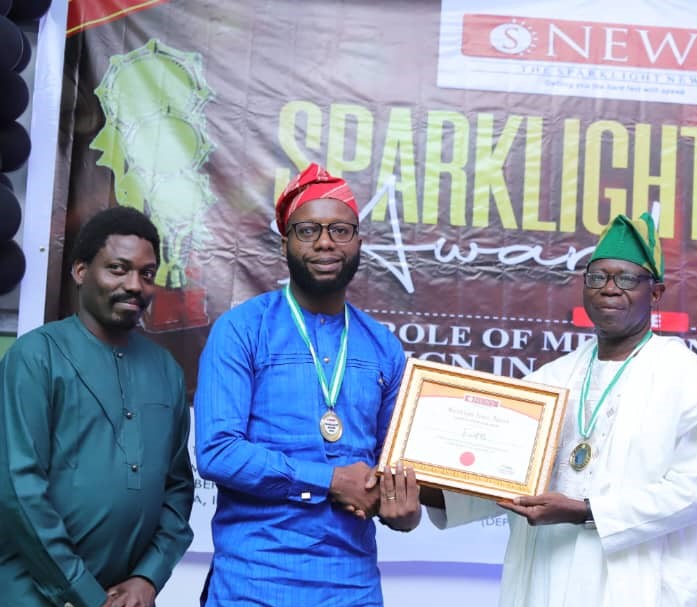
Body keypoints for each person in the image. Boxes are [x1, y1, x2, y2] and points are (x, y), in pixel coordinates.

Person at [426, 212, 697, 607]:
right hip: (549, 572)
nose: (610, 289)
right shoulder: (550, 379)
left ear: (656, 293)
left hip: (635, 582)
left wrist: (585, 512)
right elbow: (501, 474)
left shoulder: (683, 377)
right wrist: (423, 486)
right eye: (598, 277)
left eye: (626, 279)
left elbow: (692, 492)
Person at [194, 163, 420, 606]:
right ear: (285, 243)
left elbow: (393, 468)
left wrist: (404, 508)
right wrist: (329, 480)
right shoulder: (241, 330)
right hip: (253, 583)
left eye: (339, 229)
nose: (324, 242)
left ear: (358, 242)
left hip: (351, 587)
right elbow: (218, 451)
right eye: (307, 230)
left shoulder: (383, 348)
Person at [0, 206, 195, 607]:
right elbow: (19, 490)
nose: (135, 285)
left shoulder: (166, 371)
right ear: (80, 272)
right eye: (118, 269)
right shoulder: (36, 356)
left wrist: (147, 579)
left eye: (146, 273)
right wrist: (84, 593)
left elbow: (177, 489)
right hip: (34, 593)